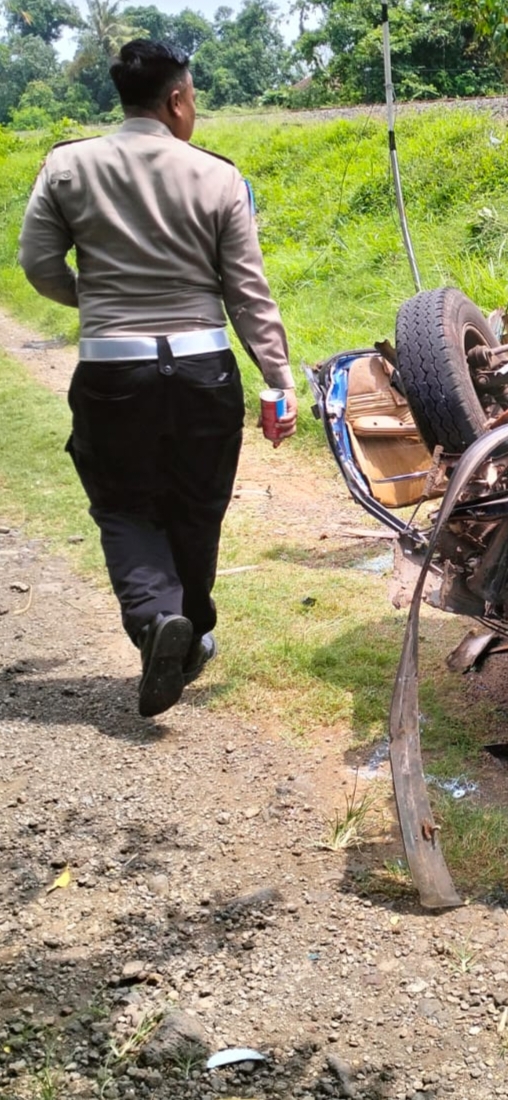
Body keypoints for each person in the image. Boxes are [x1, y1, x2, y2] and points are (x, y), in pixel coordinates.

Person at [18, 39, 298, 718]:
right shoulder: (219, 177)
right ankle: (191, 630)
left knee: (123, 505)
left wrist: (100, 306)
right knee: (197, 506)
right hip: (204, 367)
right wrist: (278, 379)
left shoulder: (67, 166)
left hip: (114, 370)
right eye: (193, 97)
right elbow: (248, 293)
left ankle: (157, 622)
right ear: (177, 100)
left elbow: (38, 263)